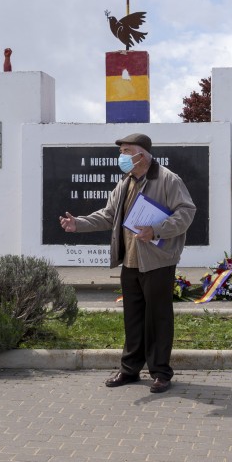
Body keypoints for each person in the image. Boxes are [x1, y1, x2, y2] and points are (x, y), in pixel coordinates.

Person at [59, 133, 196, 393]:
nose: (121, 156)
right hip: (130, 262)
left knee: (158, 318)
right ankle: (130, 369)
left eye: (125, 150)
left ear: (141, 155)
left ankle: (161, 373)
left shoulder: (167, 179)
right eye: (121, 151)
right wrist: (79, 224)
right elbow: (108, 215)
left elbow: (186, 212)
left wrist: (157, 230)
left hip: (158, 261)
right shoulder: (125, 182)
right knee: (133, 318)